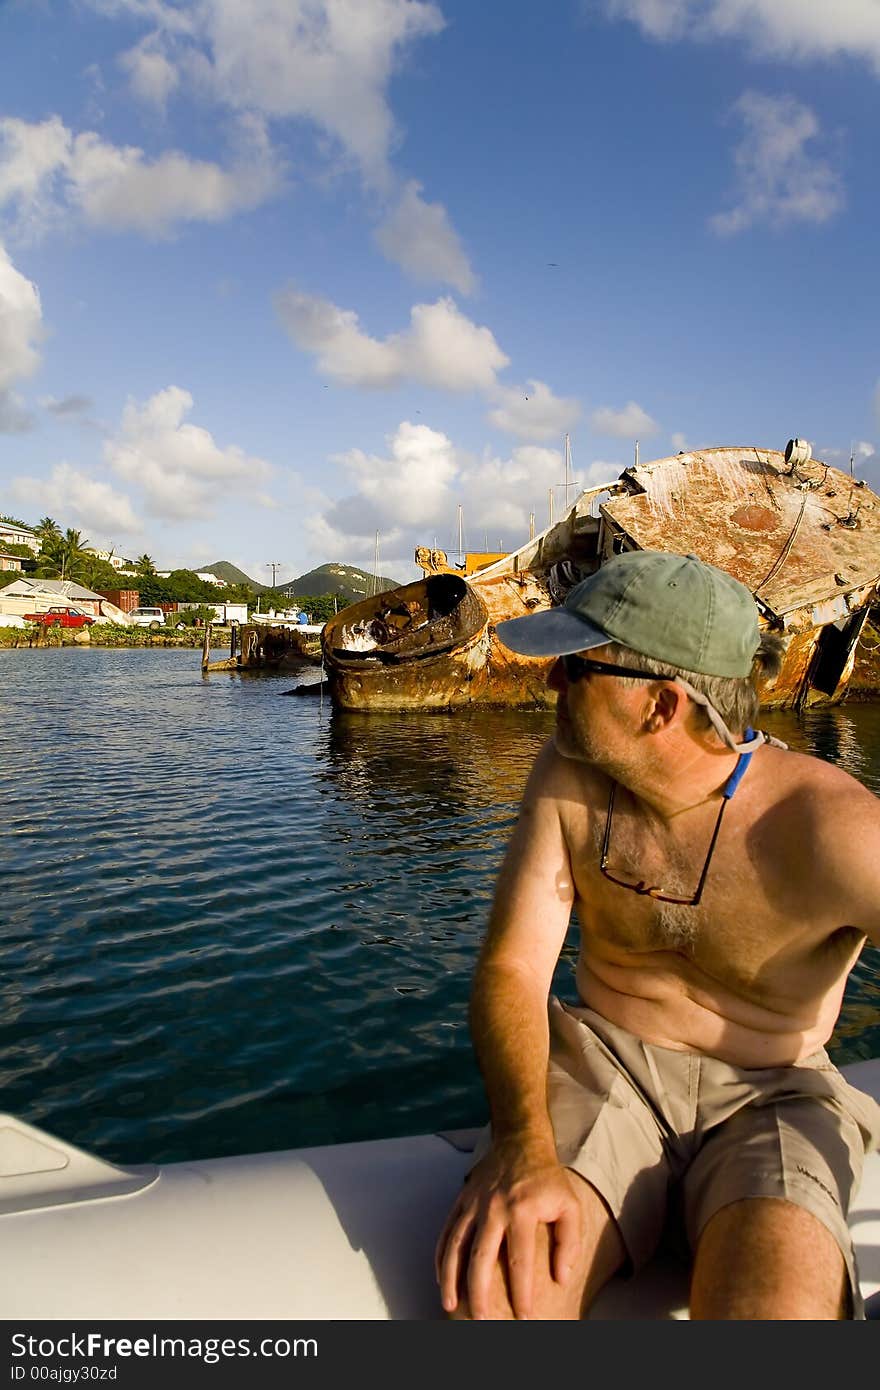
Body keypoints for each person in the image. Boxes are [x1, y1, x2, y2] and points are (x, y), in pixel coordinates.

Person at [435, 549, 880, 1320]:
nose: (550, 683)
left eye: (576, 669)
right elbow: (512, 969)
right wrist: (524, 1145)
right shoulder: (569, 775)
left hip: (773, 1094)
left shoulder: (830, 830)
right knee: (507, 1293)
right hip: (608, 1066)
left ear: (662, 706)